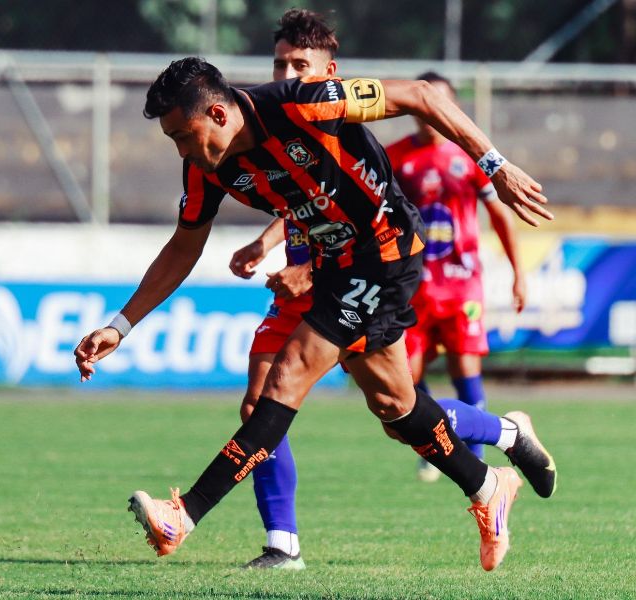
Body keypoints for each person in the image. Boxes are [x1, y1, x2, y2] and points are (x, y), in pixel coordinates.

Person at [74, 56, 554, 571]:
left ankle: (183, 517)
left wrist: (495, 167)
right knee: (397, 407)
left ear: (217, 113)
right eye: (173, 141)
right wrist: (121, 325)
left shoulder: (304, 101)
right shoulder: (206, 167)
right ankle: (489, 485)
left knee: (285, 378)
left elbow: (422, 94)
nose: (182, 150)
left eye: (183, 136)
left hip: (386, 252)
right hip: (334, 267)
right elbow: (183, 247)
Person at [227, 11, 555, 569]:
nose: (285, 73)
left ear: (329, 71)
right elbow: (298, 198)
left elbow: (362, 207)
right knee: (260, 400)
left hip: (359, 280)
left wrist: (313, 271)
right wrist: (267, 242)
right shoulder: (273, 118)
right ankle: (282, 544)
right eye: (280, 62)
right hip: (307, 281)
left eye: (298, 64)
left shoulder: (337, 121)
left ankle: (501, 434)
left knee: (398, 409)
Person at [385, 72, 528, 482]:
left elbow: (500, 215)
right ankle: (437, 438)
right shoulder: (395, 158)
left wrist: (519, 273)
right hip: (411, 286)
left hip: (461, 284)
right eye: (425, 103)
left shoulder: (470, 157)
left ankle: (477, 461)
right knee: (405, 381)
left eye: (441, 103)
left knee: (466, 373)